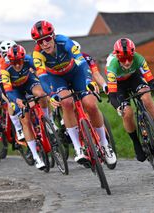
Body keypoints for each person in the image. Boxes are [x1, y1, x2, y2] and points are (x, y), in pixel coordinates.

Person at [31, 20, 116, 165]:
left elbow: (82, 62)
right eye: (40, 41)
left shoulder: (64, 42)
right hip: (57, 78)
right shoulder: (38, 54)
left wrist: (89, 81)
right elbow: (43, 77)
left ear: (53, 35)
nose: (44, 44)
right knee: (66, 102)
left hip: (76, 73)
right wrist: (51, 95)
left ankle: (104, 144)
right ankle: (78, 148)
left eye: (47, 39)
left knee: (91, 104)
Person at [105, 38, 154, 162]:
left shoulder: (139, 58)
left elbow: (151, 80)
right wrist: (118, 107)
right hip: (119, 85)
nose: (126, 62)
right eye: (123, 59)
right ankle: (137, 144)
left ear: (133, 54)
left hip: (134, 78)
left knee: (146, 98)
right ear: (117, 57)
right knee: (127, 113)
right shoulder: (112, 66)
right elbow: (112, 96)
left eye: (129, 58)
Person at [0, 44, 49, 170]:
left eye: (19, 61)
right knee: (25, 120)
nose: (17, 65)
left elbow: (41, 72)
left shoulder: (28, 59)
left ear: (23, 58)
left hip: (28, 81)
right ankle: (36, 156)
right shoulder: (5, 68)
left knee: (41, 94)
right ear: (10, 61)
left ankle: (48, 121)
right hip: (14, 90)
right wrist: (17, 101)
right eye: (14, 62)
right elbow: (8, 91)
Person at [0, 40, 25, 141]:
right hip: (5, 84)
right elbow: (4, 86)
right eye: (5, 54)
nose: (8, 56)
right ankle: (18, 129)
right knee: (10, 100)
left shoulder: (22, 58)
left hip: (19, 81)